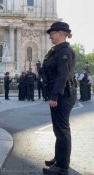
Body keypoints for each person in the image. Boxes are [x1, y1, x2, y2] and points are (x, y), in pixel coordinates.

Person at [42, 21, 76, 175]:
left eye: (52, 33)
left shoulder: (64, 52)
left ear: (62, 33)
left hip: (63, 94)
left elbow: (63, 76)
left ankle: (62, 167)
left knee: (62, 130)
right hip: (60, 93)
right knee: (58, 129)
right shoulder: (57, 51)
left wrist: (55, 95)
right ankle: (59, 158)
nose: (50, 36)